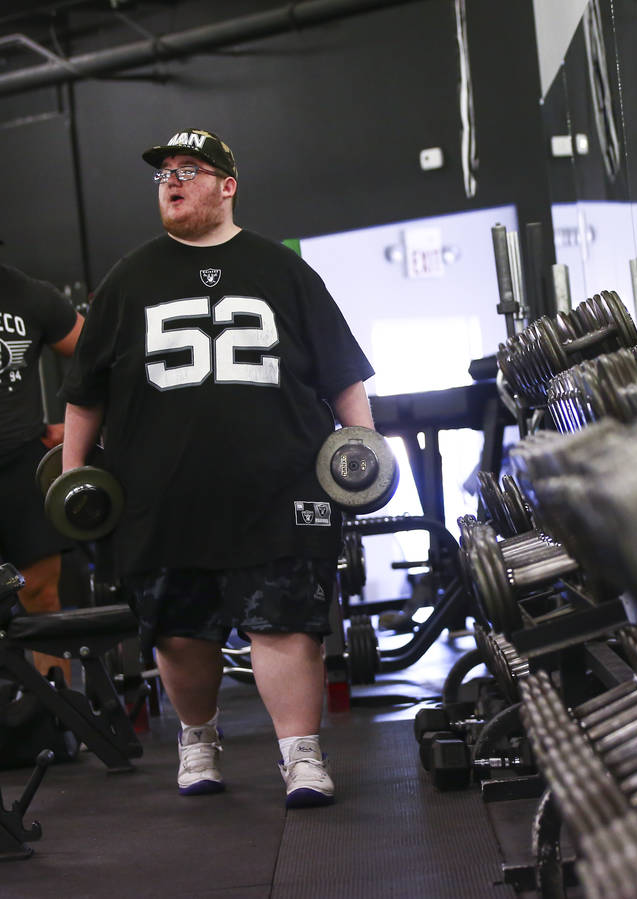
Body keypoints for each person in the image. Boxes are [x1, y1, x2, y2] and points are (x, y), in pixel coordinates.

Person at [58, 128, 376, 809]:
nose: (172, 181)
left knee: (287, 622)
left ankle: (302, 756)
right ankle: (198, 740)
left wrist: (363, 447)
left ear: (227, 186)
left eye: (189, 170)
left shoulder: (284, 271)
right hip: (163, 494)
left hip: (277, 485)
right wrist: (73, 474)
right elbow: (85, 391)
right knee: (178, 629)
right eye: (164, 173)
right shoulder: (128, 278)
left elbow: (343, 374)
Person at [0, 260, 84, 683]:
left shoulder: (28, 293)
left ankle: (59, 722)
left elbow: (96, 352)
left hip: (18, 463)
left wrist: (79, 423)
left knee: (41, 596)